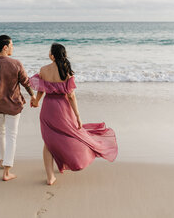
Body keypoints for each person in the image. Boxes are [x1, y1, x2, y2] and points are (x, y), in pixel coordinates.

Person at [30, 43, 118, 185]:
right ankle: (64, 165)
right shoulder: (66, 71)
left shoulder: (44, 70)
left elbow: (41, 89)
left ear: (52, 55)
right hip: (63, 109)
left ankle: (50, 176)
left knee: (49, 141)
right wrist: (77, 116)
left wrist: (36, 102)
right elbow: (71, 96)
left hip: (48, 109)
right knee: (68, 136)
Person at [0, 34, 36, 181]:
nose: (13, 47)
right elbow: (26, 83)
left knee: (0, 133)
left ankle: (3, 160)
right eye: (11, 45)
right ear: (5, 47)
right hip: (13, 106)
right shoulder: (15, 63)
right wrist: (33, 96)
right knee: (11, 136)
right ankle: (6, 171)